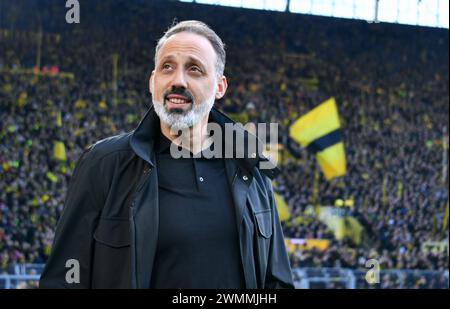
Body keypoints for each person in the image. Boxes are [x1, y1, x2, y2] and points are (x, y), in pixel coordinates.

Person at [39, 20, 294, 289]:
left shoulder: (252, 169)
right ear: (153, 81)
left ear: (220, 87)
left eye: (194, 69)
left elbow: (276, 282)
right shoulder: (104, 163)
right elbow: (63, 279)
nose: (177, 81)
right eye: (167, 67)